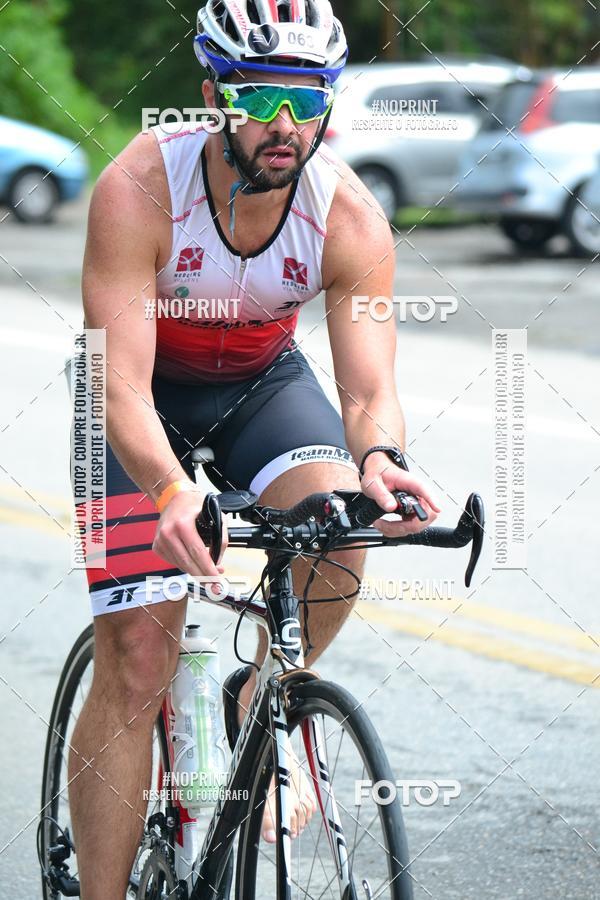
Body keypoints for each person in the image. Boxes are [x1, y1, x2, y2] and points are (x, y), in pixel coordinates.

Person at [68, 1, 440, 896]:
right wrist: (167, 490)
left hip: (258, 386)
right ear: (212, 95)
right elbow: (117, 386)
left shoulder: (346, 216)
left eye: (308, 98)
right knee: (140, 660)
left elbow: (364, 391)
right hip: (135, 397)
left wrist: (383, 457)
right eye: (262, 93)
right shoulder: (138, 188)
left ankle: (261, 688)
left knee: (343, 521)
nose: (285, 123)